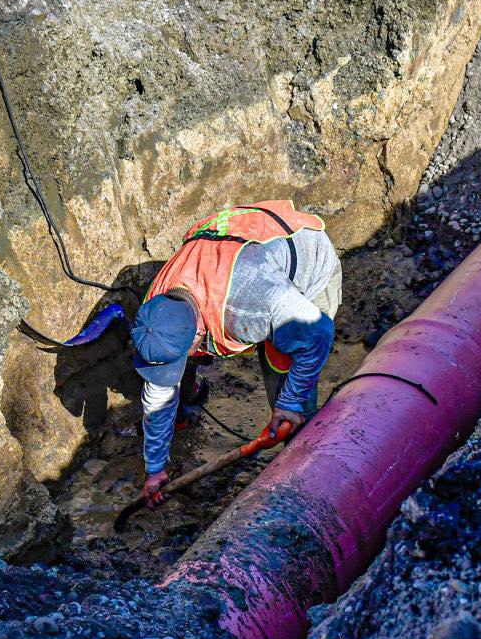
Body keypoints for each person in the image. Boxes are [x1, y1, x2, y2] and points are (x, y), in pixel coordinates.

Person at [131, 200, 342, 508]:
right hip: (240, 260)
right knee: (172, 367)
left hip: (307, 260)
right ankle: (187, 401)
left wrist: (290, 401)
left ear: (201, 333)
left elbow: (318, 332)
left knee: (286, 387)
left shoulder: (250, 307)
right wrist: (155, 469)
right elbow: (158, 394)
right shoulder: (155, 310)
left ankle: (308, 478)